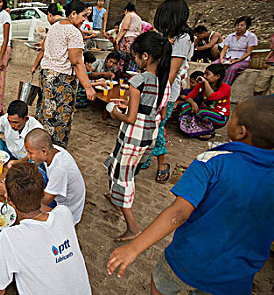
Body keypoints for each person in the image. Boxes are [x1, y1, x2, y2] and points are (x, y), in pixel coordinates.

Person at [107, 96, 274, 295]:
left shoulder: (213, 161)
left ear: (241, 131)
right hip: (235, 277)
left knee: (159, 285)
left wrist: (134, 248)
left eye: (233, 117)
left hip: (188, 261)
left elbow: (178, 213)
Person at [0, 161, 92, 295]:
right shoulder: (64, 213)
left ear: (8, 198)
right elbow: (42, 207)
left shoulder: (10, 237)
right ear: (43, 192)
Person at [104, 31, 171, 241]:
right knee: (125, 168)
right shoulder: (164, 80)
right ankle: (116, 198)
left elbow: (131, 119)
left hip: (133, 135)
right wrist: (131, 105)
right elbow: (158, 111)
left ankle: (132, 227)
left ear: (145, 56)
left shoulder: (138, 80)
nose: (133, 60)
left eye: (134, 56)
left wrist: (115, 112)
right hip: (149, 134)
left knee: (123, 176)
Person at [141, 0, 194, 182]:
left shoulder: (183, 39)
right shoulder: (168, 37)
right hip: (157, 88)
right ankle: (146, 159)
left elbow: (170, 74)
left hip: (166, 93)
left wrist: (158, 96)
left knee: (158, 128)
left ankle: (162, 164)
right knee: (151, 127)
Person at [38, 0, 95, 148]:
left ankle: (43, 146)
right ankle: (56, 150)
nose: (84, 20)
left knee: (47, 113)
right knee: (61, 119)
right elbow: (76, 62)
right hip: (62, 80)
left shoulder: (55, 26)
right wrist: (88, 87)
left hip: (46, 76)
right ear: (73, 13)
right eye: (83, 16)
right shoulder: (73, 32)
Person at [18, 128, 87, 224]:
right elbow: (30, 156)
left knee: (26, 213)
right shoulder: (53, 149)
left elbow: (43, 202)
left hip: (68, 210)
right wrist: (18, 162)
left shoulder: (59, 169)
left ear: (44, 151)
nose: (28, 156)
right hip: (58, 194)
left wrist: (14, 197)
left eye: (30, 153)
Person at [178, 64, 231, 140]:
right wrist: (193, 104)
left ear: (217, 76)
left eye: (208, 74)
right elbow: (189, 97)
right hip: (203, 110)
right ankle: (195, 130)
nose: (205, 76)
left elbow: (212, 97)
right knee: (184, 106)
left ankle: (208, 131)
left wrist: (205, 83)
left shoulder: (226, 88)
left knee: (201, 113)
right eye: (204, 74)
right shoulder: (201, 84)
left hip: (220, 116)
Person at [217, 16, 258, 85]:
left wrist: (236, 61)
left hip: (242, 60)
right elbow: (224, 49)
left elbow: (248, 52)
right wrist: (221, 59)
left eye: (242, 25)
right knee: (214, 65)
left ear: (246, 26)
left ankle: (225, 87)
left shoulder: (251, 36)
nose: (239, 27)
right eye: (237, 25)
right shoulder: (230, 36)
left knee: (232, 69)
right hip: (228, 57)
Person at [116, 2, 142, 73]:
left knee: (123, 58)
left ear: (126, 10)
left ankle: (121, 75)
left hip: (127, 39)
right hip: (135, 39)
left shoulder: (129, 15)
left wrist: (117, 40)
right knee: (133, 59)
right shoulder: (138, 18)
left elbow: (124, 28)